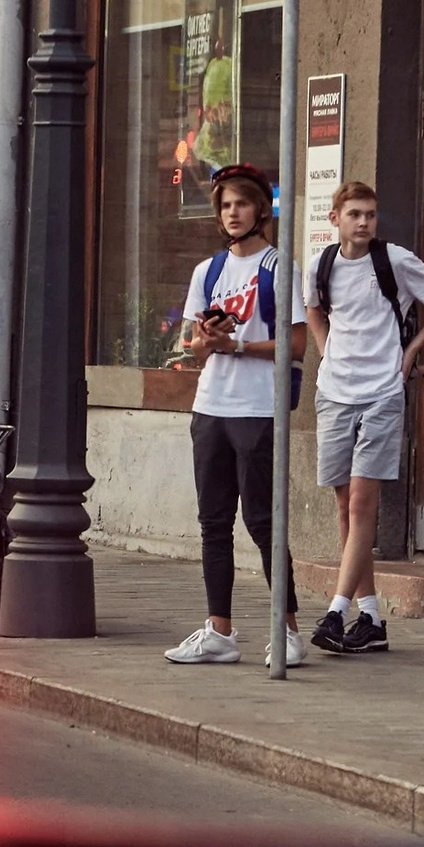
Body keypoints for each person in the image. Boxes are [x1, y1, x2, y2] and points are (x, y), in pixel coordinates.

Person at [301, 182, 424, 654]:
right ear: (335, 219)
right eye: (354, 214)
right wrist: (324, 349)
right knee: (345, 506)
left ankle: (336, 610)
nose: (364, 222)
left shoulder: (394, 260)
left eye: (370, 214)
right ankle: (370, 617)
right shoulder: (323, 264)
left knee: (362, 505)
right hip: (334, 393)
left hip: (381, 393)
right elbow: (313, 308)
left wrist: (413, 348)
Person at [164, 164, 306, 668]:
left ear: (260, 210)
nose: (232, 213)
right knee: (213, 521)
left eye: (241, 204)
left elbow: (298, 343)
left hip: (256, 408)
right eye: (225, 205)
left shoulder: (277, 267)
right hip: (211, 406)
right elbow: (189, 345)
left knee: (265, 520)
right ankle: (218, 630)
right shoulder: (208, 271)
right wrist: (205, 341)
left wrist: (239, 343)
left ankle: (286, 629)